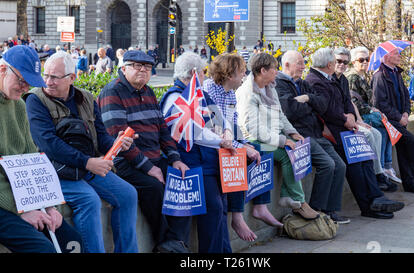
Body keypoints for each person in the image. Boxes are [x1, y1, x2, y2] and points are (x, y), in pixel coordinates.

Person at [24, 51, 139, 253]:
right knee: (89, 200)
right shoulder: (35, 99)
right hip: (55, 171)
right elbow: (48, 144)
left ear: (72, 78)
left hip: (86, 166)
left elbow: (100, 136)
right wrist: (88, 162)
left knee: (128, 194)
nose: (47, 82)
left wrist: (118, 144)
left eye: (54, 77)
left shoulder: (86, 98)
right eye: (46, 75)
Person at [98, 50, 191, 253]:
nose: (142, 70)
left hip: (154, 158)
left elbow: (163, 130)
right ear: (123, 68)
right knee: (154, 187)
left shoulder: (148, 92)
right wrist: (149, 167)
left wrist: (175, 159)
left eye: (147, 67)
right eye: (136, 66)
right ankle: (167, 241)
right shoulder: (112, 92)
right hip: (125, 162)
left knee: (184, 181)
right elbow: (118, 139)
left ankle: (175, 243)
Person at [0, 45, 83, 253]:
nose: (25, 87)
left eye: (29, 83)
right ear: (3, 70)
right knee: (43, 248)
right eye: (22, 80)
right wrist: (20, 211)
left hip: (21, 197)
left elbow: (32, 158)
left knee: (73, 242)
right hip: (7, 203)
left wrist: (48, 205)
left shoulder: (19, 105)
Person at [305, 48, 404, 219]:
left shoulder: (340, 79)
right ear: (330, 63)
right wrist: (345, 119)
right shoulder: (315, 80)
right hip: (331, 132)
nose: (341, 65)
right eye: (338, 61)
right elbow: (326, 109)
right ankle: (368, 204)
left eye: (344, 62)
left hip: (344, 128)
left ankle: (376, 198)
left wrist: (351, 115)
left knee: (365, 157)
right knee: (355, 164)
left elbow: (347, 101)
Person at [160, 51, 234, 253]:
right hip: (192, 164)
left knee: (221, 209)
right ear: (194, 73)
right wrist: (221, 141)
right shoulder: (175, 97)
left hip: (210, 161)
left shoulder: (201, 93)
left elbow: (220, 117)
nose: (205, 75)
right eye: (202, 71)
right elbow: (191, 131)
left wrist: (226, 130)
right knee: (213, 209)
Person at [203, 53, 282, 241]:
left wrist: (246, 144)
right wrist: (243, 148)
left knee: (263, 150)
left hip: (230, 139)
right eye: (241, 72)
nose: (245, 76)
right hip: (213, 145)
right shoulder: (209, 91)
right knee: (238, 157)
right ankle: (237, 217)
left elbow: (234, 124)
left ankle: (260, 206)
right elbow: (216, 130)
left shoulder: (230, 93)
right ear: (230, 75)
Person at [235, 52, 319, 220]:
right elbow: (253, 128)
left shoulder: (269, 88)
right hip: (255, 141)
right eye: (274, 68)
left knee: (299, 146)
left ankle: (288, 196)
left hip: (273, 135)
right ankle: (298, 201)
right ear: (263, 70)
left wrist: (292, 132)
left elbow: (280, 115)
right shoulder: (247, 92)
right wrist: (283, 141)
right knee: (288, 153)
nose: (277, 71)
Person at [276, 50, 349, 224]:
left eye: (303, 63)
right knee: (327, 164)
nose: (303, 67)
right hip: (301, 135)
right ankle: (316, 209)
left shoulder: (302, 84)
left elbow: (323, 105)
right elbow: (290, 111)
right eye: (299, 63)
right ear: (287, 65)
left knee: (340, 165)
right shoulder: (280, 84)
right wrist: (310, 104)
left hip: (317, 133)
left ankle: (330, 210)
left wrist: (307, 97)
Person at [333, 47, 397, 192]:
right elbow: (355, 103)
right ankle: (380, 171)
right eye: (361, 60)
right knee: (379, 128)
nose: (365, 62)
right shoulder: (351, 77)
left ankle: (383, 169)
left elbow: (350, 102)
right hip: (345, 122)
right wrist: (364, 116)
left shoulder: (350, 78)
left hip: (358, 116)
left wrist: (361, 118)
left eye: (367, 59)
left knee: (383, 130)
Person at [372, 48, 414, 194]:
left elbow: (404, 96)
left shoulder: (396, 73)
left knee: (404, 149)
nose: (399, 56)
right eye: (396, 53)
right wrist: (399, 117)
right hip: (389, 121)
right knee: (410, 141)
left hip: (399, 119)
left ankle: (412, 181)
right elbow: (380, 103)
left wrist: (405, 113)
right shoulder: (380, 76)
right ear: (386, 56)